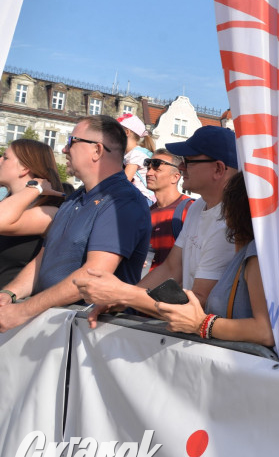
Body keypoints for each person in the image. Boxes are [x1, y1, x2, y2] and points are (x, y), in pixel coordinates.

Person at [0, 115, 151, 333]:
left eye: (72, 142)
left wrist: (24, 311)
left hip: (92, 336)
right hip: (57, 329)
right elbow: (44, 257)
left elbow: (93, 274)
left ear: (97, 150)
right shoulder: (75, 198)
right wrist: (9, 293)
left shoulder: (123, 202)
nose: (64, 149)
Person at [73, 126, 239, 322]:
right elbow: (171, 267)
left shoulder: (229, 223)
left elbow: (199, 302)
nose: (182, 167)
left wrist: (123, 293)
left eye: (188, 161)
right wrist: (122, 299)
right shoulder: (199, 206)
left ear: (218, 169)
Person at [154, 173, 274, 346]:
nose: (223, 211)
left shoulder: (255, 255)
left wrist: (201, 324)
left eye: (227, 203)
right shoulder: (246, 249)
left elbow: (265, 331)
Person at [0, 139, 66, 290]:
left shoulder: (48, 211)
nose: (0, 160)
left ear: (24, 168)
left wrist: (35, 188)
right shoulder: (8, 203)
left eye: (5, 157)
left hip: (11, 303)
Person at [144, 149, 193, 271]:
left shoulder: (190, 209)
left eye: (157, 169)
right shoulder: (146, 213)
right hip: (146, 285)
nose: (149, 173)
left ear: (175, 177)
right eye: (148, 168)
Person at [118, 113, 156, 204]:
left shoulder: (136, 154)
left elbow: (124, 181)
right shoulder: (131, 153)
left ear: (127, 132)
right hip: (139, 197)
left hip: (143, 198)